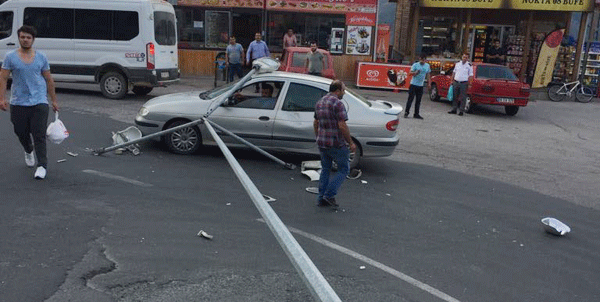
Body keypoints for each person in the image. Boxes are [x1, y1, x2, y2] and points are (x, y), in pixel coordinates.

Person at [0, 25, 59, 179]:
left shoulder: (41, 57)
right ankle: (28, 149)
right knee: (20, 131)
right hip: (18, 101)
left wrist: (54, 100)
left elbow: (48, 79)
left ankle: (42, 166)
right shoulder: (10, 57)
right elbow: (3, 77)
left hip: (39, 101)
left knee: (38, 134)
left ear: (33, 40)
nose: (25, 40)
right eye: (23, 37)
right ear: (19, 38)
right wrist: (2, 98)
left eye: (28, 37)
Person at [313, 80, 356, 209]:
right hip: (336, 143)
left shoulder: (319, 102)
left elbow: (316, 123)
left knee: (325, 169)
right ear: (337, 90)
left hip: (322, 142)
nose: (344, 93)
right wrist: (350, 142)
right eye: (343, 90)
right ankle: (329, 194)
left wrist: (318, 137)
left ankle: (321, 198)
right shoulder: (338, 104)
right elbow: (342, 125)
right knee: (343, 169)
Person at [404, 53, 431, 119]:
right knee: (410, 99)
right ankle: (406, 112)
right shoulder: (415, 65)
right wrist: (415, 73)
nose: (423, 62)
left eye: (424, 60)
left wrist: (429, 83)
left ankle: (416, 114)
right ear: (419, 59)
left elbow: (428, 75)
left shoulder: (427, 66)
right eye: (422, 60)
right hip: (413, 84)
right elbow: (410, 73)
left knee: (418, 100)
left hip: (420, 85)